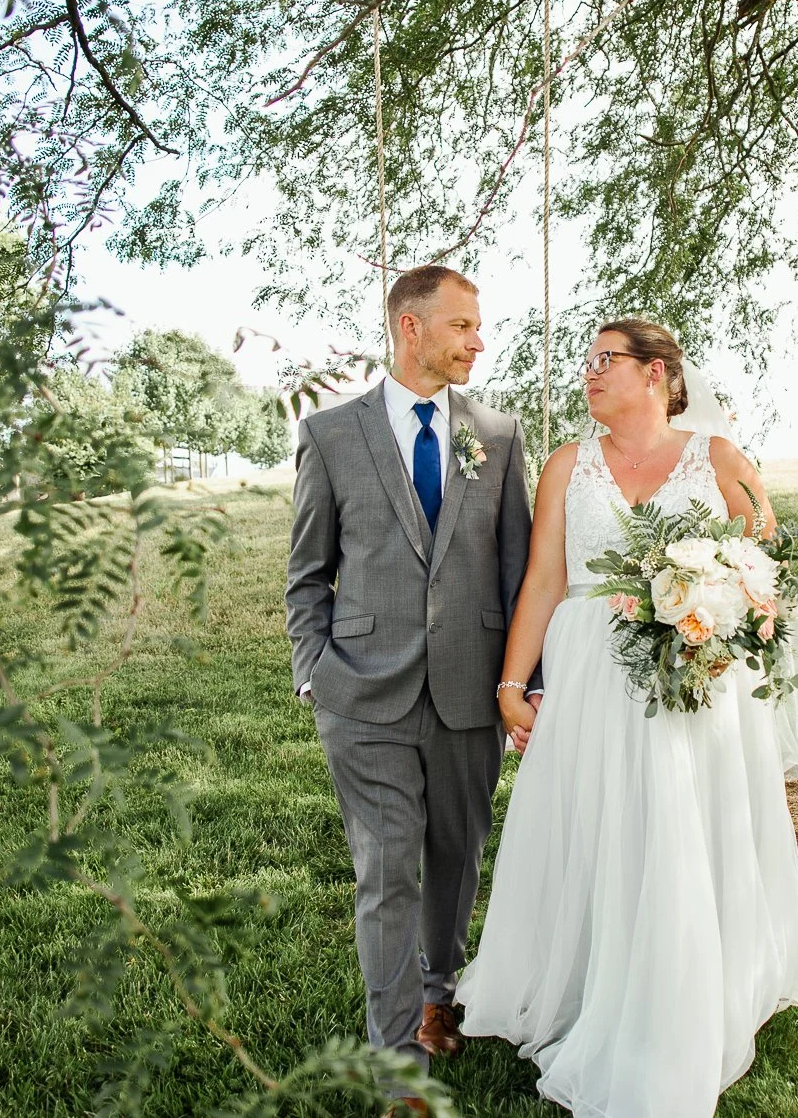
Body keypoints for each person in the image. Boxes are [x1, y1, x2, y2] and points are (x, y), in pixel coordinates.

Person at [455, 317, 798, 1117]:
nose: (590, 373)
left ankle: (682, 984)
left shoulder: (719, 460)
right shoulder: (568, 464)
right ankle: (588, 977)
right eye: (587, 362)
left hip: (693, 672)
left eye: (607, 360)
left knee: (676, 820)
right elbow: (543, 581)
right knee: (598, 823)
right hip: (592, 669)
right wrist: (511, 681)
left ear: (659, 373)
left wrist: (715, 606)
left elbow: (763, 571)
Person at [284, 265, 535, 1113]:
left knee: (456, 855)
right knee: (386, 869)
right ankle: (396, 1060)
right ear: (409, 328)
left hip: (470, 690)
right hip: (361, 694)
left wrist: (521, 681)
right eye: (462, 324)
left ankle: (438, 990)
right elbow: (307, 575)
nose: (478, 340)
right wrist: (314, 670)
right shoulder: (329, 436)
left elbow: (516, 568)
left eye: (478, 325)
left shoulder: (499, 434)